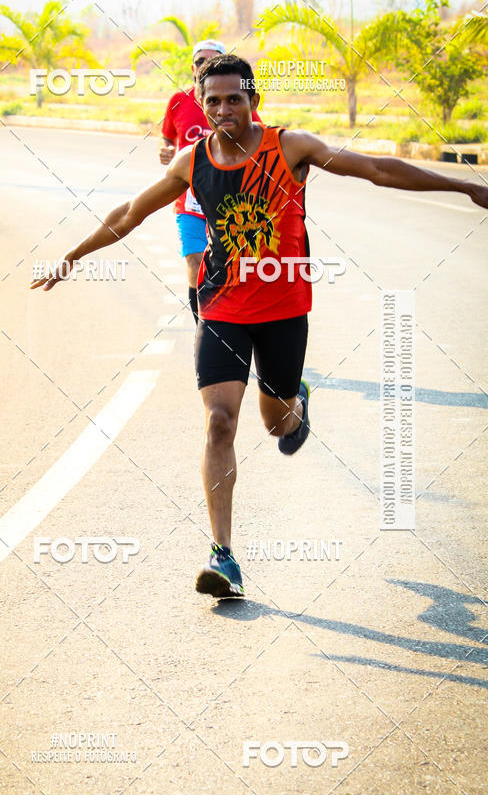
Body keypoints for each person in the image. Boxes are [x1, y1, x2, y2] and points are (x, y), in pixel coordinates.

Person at [31, 54, 488, 600]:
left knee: (276, 425)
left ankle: (296, 406)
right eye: (214, 100)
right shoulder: (190, 160)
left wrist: (462, 185)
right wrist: (74, 255)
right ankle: (223, 555)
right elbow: (131, 212)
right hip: (222, 309)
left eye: (235, 99)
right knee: (219, 422)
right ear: (201, 105)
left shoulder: (291, 148)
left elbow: (377, 169)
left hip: (283, 312)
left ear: (254, 101)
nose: (224, 109)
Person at [159, 39, 262, 323]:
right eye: (201, 62)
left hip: (231, 199)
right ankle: (204, 328)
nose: (206, 66)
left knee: (235, 267)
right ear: (194, 68)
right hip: (189, 201)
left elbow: (259, 138)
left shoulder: (236, 99)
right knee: (194, 262)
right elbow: (167, 137)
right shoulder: (178, 102)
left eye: (212, 60)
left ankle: (240, 323)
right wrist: (166, 149)